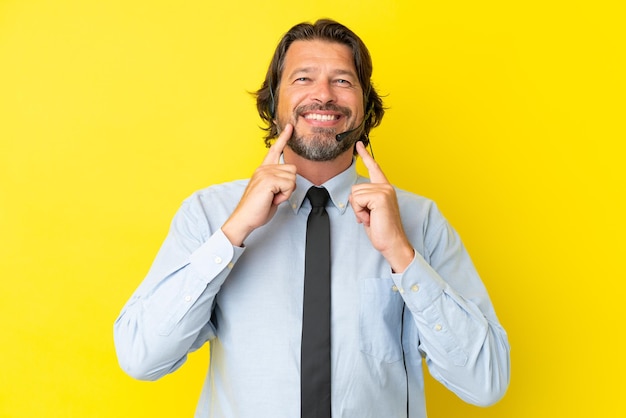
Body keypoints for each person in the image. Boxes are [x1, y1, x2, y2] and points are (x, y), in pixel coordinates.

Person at [114, 18, 510, 418]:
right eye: (303, 79)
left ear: (366, 106)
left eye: (342, 81)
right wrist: (232, 235)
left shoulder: (418, 220)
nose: (323, 95)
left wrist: (402, 254)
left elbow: (486, 384)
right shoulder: (209, 214)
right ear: (273, 102)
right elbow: (141, 358)